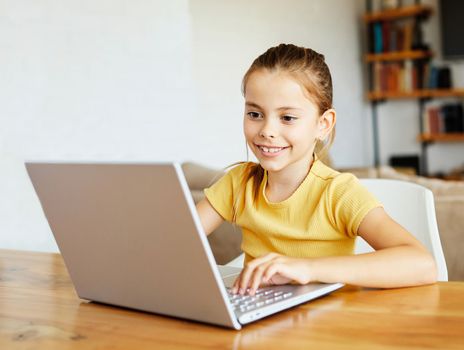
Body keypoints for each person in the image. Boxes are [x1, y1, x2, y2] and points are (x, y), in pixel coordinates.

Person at [195, 43, 437, 296]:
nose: (267, 130)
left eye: (287, 118)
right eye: (255, 114)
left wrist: (308, 269)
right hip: (257, 321)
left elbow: (422, 264)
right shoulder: (238, 183)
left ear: (323, 124)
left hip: (327, 323)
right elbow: (175, 239)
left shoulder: (338, 192)